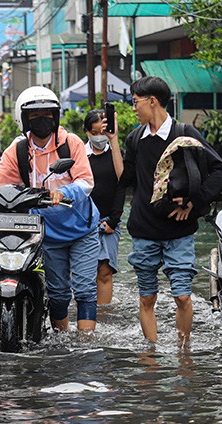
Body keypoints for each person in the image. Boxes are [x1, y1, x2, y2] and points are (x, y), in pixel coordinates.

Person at [0, 86, 100, 332]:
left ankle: (86, 346)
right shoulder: (19, 150)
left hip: (82, 229)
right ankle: (62, 342)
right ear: (23, 119)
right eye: (34, 115)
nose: (42, 119)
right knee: (58, 294)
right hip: (47, 233)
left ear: (56, 116)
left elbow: (86, 182)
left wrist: (62, 192)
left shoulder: (71, 143)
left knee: (86, 290)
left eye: (47, 114)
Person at [113, 76, 222, 345]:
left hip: (179, 232)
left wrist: (194, 204)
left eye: (135, 102)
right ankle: (152, 355)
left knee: (183, 296)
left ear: (152, 101)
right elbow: (125, 180)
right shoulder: (135, 139)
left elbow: (220, 171)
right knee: (147, 297)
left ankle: (183, 351)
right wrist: (113, 140)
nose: (133, 108)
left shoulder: (185, 134)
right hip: (143, 230)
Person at [84, 109, 124, 306]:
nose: (99, 137)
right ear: (87, 132)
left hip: (109, 219)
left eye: (102, 133)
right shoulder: (80, 156)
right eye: (94, 133)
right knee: (84, 270)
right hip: (83, 221)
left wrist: (114, 220)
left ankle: (104, 314)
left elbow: (122, 185)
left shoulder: (116, 154)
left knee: (105, 271)